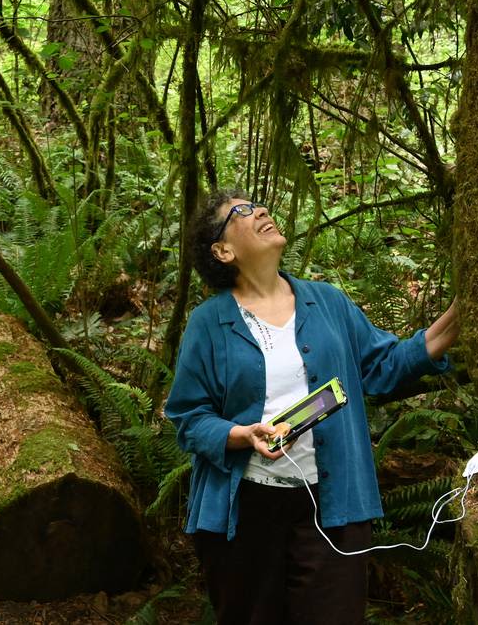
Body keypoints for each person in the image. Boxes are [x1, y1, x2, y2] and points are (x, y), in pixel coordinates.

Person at [164, 190, 460, 624]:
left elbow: (383, 366)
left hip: (334, 503)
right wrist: (240, 434)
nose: (260, 211)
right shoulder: (209, 323)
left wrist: (458, 316)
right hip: (245, 512)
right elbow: (188, 418)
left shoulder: (328, 303)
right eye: (241, 212)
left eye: (259, 204)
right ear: (222, 250)